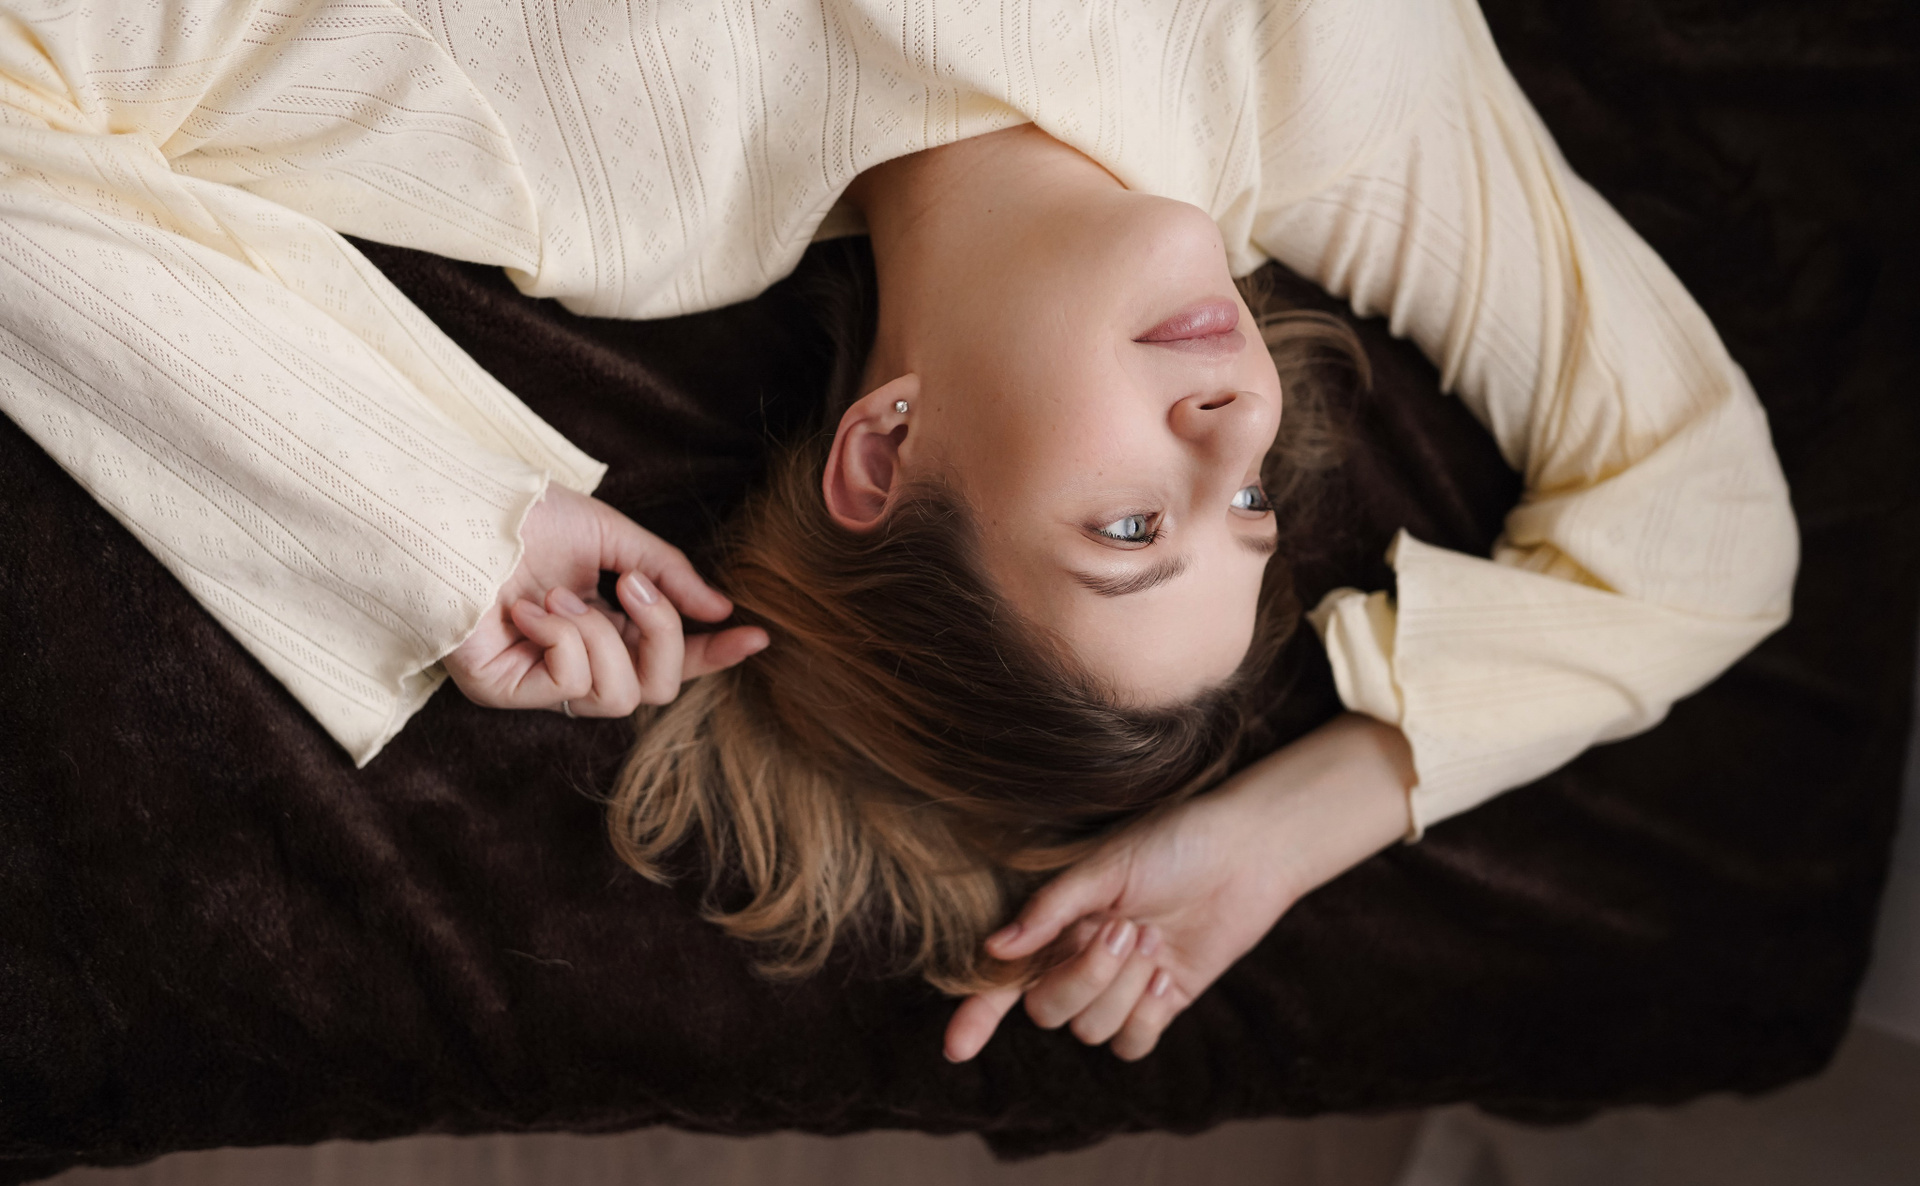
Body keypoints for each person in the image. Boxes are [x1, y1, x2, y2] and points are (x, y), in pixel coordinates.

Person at [0, 0, 1796, 1063]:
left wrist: (434, 521)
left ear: (885, 450)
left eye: (1129, 525)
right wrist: (1311, 824)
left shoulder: (609, 149)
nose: (1239, 426)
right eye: (1251, 508)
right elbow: (1712, 526)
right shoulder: (1321, 90)